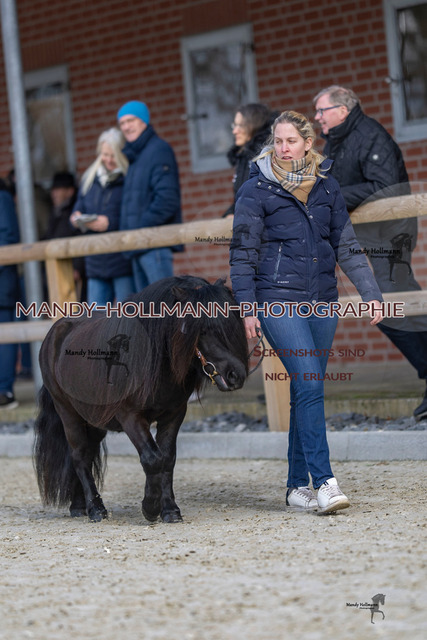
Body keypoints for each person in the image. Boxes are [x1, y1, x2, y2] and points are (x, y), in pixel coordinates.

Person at [229, 110, 383, 513]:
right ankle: (325, 481)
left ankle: (296, 487)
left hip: (322, 300)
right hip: (277, 300)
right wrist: (248, 308)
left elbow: (346, 245)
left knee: (306, 389)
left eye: (291, 141)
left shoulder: (327, 186)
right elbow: (243, 253)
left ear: (307, 143)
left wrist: (370, 292)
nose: (283, 148)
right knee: (311, 382)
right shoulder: (255, 189)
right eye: (278, 141)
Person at [313, 85, 427, 420]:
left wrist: (332, 193)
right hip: (369, 235)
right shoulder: (335, 142)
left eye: (321, 110)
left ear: (342, 110)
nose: (317, 117)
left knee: (392, 301)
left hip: (393, 232)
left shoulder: (370, 135)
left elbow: (384, 188)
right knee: (389, 305)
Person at [117, 100, 182, 290]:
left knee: (162, 304)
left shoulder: (158, 150)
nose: (126, 127)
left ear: (144, 121)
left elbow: (167, 200)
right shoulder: (134, 157)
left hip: (154, 245)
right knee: (146, 307)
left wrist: (139, 228)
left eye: (131, 120)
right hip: (138, 246)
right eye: (122, 123)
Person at [70, 128, 135, 305]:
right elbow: (78, 206)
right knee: (95, 318)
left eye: (113, 155)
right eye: (105, 154)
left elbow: (134, 214)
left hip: (122, 262)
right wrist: (76, 217)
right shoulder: (89, 179)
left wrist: (110, 223)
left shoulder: (130, 178)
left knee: (126, 316)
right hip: (95, 262)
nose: (109, 160)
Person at [223, 103, 277, 217]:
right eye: (234, 125)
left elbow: (266, 199)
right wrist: (230, 213)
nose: (235, 131)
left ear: (254, 126)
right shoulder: (243, 156)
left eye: (241, 125)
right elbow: (241, 198)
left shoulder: (266, 157)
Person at [44, 171, 86, 300]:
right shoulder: (55, 212)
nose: (54, 194)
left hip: (72, 270)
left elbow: (82, 239)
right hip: (57, 268)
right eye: (53, 190)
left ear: (70, 191)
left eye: (58, 189)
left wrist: (77, 268)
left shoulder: (76, 212)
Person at [0, 182, 20, 408]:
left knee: (5, 333)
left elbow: (8, 236)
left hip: (2, 279)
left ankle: (4, 391)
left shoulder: (2, 197)